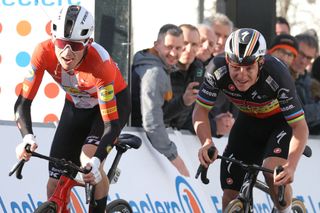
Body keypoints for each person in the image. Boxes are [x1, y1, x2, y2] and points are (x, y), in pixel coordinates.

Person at [14, 5, 130, 212]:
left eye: (75, 46)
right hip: (75, 105)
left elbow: (110, 125)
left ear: (88, 43)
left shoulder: (100, 64)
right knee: (54, 183)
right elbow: (23, 102)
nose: (67, 53)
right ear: (53, 39)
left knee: (89, 161)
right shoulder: (42, 52)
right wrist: (27, 137)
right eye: (61, 43)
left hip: (109, 108)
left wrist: (97, 160)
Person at [193, 28, 309, 212]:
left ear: (260, 63)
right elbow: (200, 111)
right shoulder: (216, 69)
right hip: (248, 120)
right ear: (227, 62)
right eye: (235, 67)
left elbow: (300, 128)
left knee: (272, 171)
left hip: (280, 123)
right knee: (230, 193)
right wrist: (206, 142)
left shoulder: (277, 74)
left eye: (249, 67)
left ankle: (284, 210)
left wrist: (291, 166)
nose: (241, 74)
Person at [131, 24, 190, 177]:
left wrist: (183, 102)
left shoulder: (157, 66)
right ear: (157, 45)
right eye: (169, 47)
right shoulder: (155, 73)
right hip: (138, 144)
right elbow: (152, 122)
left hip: (140, 141)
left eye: (178, 48)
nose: (173, 53)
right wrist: (174, 156)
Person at [163, 24, 201, 132]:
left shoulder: (198, 72)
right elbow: (154, 116)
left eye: (194, 44)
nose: (189, 49)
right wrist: (183, 101)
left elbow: (191, 118)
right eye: (185, 43)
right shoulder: (161, 70)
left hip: (181, 140)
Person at [290, 33, 320, 135]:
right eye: (301, 54)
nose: (303, 61)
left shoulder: (312, 83)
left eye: (308, 58)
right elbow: (296, 115)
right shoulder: (278, 77)